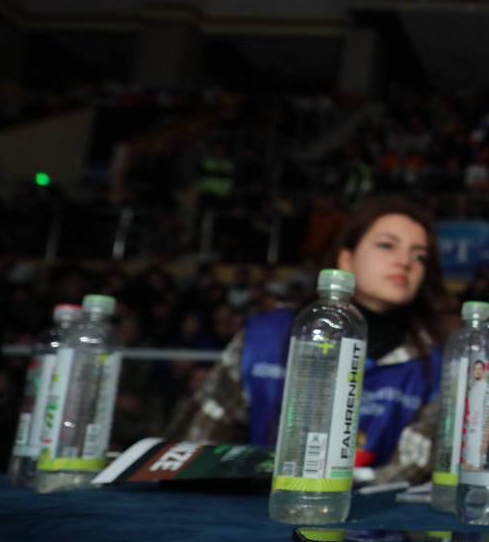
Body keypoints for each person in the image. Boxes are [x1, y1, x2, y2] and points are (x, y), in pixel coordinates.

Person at [167, 196, 455, 485]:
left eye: (419, 256)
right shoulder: (266, 337)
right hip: (258, 507)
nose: (405, 262)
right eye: (387, 245)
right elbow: (199, 448)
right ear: (346, 259)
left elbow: (410, 469)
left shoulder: (437, 364)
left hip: (370, 512)